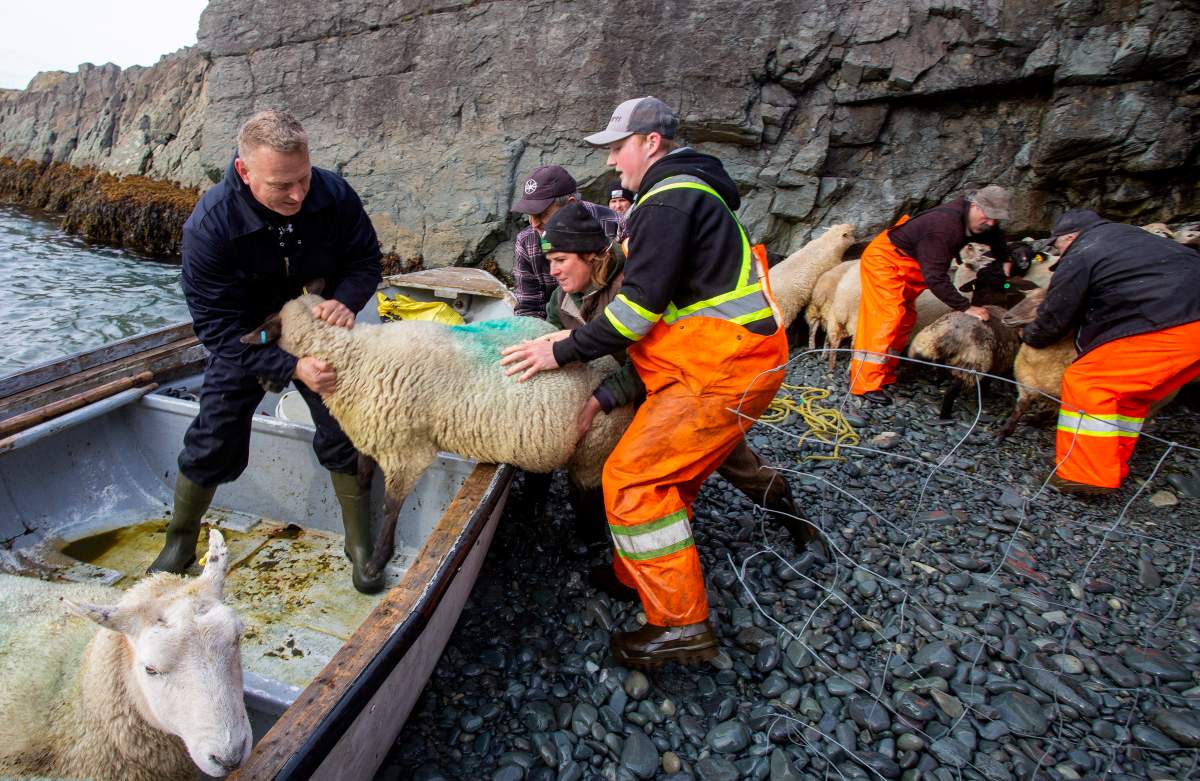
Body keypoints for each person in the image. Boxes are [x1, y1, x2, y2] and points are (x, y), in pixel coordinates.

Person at [501, 96, 790, 667]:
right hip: (712, 364)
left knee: (632, 481)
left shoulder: (669, 199)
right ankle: (635, 575)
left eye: (617, 147)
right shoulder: (682, 197)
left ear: (650, 142)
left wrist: (559, 349)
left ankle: (681, 626)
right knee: (670, 480)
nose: (613, 163)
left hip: (718, 369)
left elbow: (635, 315)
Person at [148, 109, 386, 593]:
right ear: (244, 171)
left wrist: (346, 301)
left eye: (303, 178)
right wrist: (291, 367)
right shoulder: (209, 228)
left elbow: (365, 260)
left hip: (318, 324)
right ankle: (178, 543)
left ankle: (359, 544)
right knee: (213, 434)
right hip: (246, 334)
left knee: (347, 429)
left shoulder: (333, 194)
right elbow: (216, 331)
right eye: (282, 186)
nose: (298, 195)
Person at [538, 203, 814, 567]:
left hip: (681, 386)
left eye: (560, 259)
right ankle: (593, 539)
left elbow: (653, 360)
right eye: (550, 262)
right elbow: (550, 339)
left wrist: (598, 400)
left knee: (731, 460)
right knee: (592, 457)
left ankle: (795, 522)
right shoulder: (562, 299)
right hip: (620, 391)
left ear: (590, 253)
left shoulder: (634, 286)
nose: (553, 271)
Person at [1021, 209, 1200, 495]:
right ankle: (1111, 463)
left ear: (1069, 238)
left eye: (1056, 245)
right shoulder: (1133, 238)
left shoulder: (1084, 250)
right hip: (1189, 324)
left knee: (1088, 381)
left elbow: (1057, 311)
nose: (1057, 251)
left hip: (1170, 322)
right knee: (1133, 394)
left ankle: (1083, 476)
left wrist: (1031, 337)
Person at [849, 186, 1013, 405]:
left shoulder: (982, 224)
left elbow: (997, 238)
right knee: (885, 318)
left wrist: (1006, 263)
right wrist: (966, 307)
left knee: (905, 319)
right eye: (988, 216)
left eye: (997, 218)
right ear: (975, 205)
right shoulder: (944, 227)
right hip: (887, 260)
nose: (991, 222)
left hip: (911, 262)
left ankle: (885, 374)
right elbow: (935, 278)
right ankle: (864, 384)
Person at [511, 164, 621, 319]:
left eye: (542, 214)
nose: (534, 224)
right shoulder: (526, 241)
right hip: (560, 323)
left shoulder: (615, 225)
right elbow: (528, 306)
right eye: (530, 214)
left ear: (570, 204)